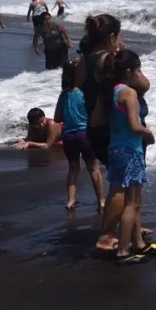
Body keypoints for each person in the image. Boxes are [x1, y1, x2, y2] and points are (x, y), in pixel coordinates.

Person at [102, 50, 156, 265]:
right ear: (128, 72)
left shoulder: (112, 91)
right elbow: (136, 127)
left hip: (115, 149)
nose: (140, 74)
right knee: (132, 203)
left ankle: (138, 244)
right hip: (130, 151)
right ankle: (124, 250)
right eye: (138, 70)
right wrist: (149, 134)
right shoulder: (129, 93)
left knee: (130, 200)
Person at [54, 60, 105, 210]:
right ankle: (101, 200)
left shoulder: (64, 95)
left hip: (69, 136)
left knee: (73, 168)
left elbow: (57, 118)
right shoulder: (85, 94)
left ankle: (71, 200)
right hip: (85, 134)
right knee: (93, 168)